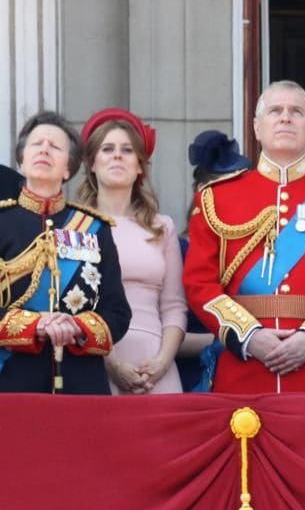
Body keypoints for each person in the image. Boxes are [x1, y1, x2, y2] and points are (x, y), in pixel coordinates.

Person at [183, 80, 305, 393]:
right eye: (275, 110)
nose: (286, 117)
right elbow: (199, 284)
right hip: (244, 368)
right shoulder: (216, 198)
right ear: (257, 127)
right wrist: (249, 336)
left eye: (296, 112)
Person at [0, 111, 131, 394]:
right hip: (11, 380)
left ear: (68, 169)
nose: (45, 150)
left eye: (55, 146)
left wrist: (77, 326)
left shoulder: (95, 228)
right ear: (21, 161)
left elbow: (118, 313)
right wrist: (34, 325)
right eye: (37, 144)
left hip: (81, 382)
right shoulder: (2, 221)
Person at [76, 108, 187, 394]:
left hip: (156, 365)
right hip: (94, 362)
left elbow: (174, 306)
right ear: (91, 163)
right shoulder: (73, 227)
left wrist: (162, 362)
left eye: (127, 150)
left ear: (140, 165)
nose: (117, 156)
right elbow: (73, 308)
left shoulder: (161, 227)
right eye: (107, 149)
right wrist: (112, 364)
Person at [175, 129, 250, 392]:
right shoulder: (178, 249)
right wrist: (232, 339)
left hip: (246, 374)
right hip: (191, 379)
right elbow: (168, 329)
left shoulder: (253, 250)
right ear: (201, 191)